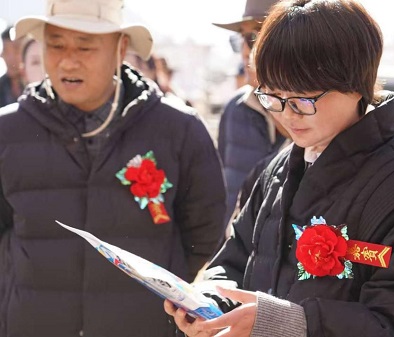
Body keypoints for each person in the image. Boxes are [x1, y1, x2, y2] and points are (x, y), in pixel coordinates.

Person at [165, 1, 394, 336]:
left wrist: (287, 324)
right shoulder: (277, 169)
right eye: (273, 97)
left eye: (302, 100)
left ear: (356, 85)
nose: (287, 115)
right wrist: (208, 302)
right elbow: (234, 259)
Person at [0, 0, 226, 336]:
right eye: (56, 44)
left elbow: (204, 234)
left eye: (85, 46)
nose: (68, 59)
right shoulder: (8, 131)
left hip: (146, 325)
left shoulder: (178, 130)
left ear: (121, 48)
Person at [213, 0, 288, 224]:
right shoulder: (235, 108)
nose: (246, 51)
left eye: (255, 37)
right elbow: (223, 194)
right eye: (241, 39)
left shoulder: (320, 113)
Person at [0, 25, 24, 107]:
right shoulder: (1, 85)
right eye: (5, 50)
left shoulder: (40, 88)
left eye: (16, 49)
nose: (11, 58)